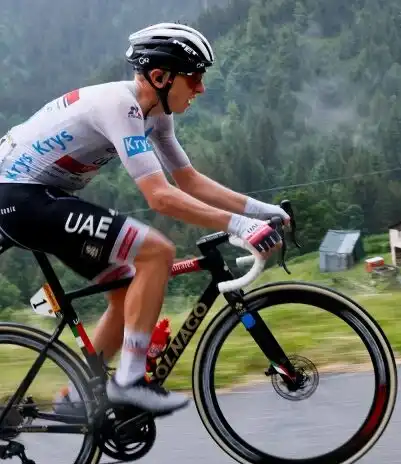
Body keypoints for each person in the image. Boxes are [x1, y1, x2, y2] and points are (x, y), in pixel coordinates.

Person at [0, 23, 289, 417]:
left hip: (36, 198)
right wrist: (237, 226)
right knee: (156, 252)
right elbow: (160, 197)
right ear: (160, 76)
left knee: (126, 292)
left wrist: (260, 211)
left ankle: (77, 397)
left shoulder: (155, 114)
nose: (201, 88)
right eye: (194, 77)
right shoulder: (121, 106)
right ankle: (129, 383)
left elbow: (188, 181)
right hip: (20, 198)